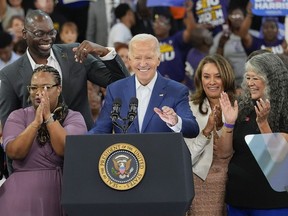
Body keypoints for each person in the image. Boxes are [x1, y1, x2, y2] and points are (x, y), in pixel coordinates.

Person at [0, 9, 129, 175]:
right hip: (38, 166)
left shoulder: (75, 54)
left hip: (82, 153)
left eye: (51, 32)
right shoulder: (10, 75)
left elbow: (120, 82)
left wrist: (104, 52)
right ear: (25, 34)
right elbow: (11, 132)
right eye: (40, 33)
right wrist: (15, 178)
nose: (47, 39)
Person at [0, 65, 87, 216]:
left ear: (59, 89)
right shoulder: (17, 116)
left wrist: (48, 117)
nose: (38, 93)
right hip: (19, 197)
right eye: (33, 88)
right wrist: (35, 123)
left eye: (46, 87)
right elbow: (14, 152)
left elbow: (65, 149)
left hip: (59, 194)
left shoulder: (74, 117)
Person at [88, 33, 199, 138]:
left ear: (158, 59)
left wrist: (176, 121)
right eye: (137, 58)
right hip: (126, 157)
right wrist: (78, 143)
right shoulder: (115, 90)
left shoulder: (176, 91)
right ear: (130, 60)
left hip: (161, 157)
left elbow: (193, 129)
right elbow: (100, 130)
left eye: (148, 58)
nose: (142, 63)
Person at [219, 52, 288, 215]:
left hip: (273, 202)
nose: (250, 83)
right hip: (239, 198)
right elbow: (223, 153)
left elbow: (280, 159)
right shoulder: (242, 108)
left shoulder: (284, 111)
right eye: (248, 77)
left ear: (271, 79)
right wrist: (228, 122)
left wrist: (263, 124)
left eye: (255, 78)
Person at [184, 54, 236, 216]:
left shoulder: (239, 106)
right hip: (201, 180)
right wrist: (207, 129)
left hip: (236, 179)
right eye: (206, 77)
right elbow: (188, 158)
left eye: (217, 77)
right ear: (200, 80)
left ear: (226, 78)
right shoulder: (189, 108)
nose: (211, 82)